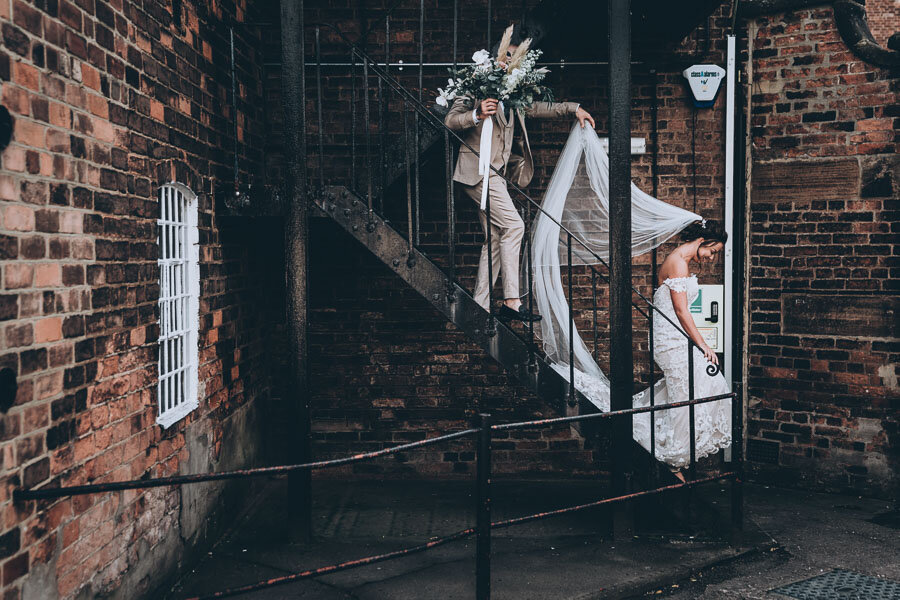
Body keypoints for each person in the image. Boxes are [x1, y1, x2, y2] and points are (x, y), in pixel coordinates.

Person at [444, 30, 594, 322]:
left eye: (517, 57)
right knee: (514, 226)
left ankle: (481, 303)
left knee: (495, 238)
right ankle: (511, 300)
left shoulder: (515, 94)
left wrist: (573, 109)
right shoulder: (476, 86)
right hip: (477, 172)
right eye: (508, 54)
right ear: (498, 56)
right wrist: (476, 114)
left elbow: (539, 108)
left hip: (496, 174)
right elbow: (451, 120)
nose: (510, 60)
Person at [652, 219, 733, 480]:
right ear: (702, 241)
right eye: (713, 251)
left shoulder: (681, 263)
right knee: (691, 394)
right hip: (670, 341)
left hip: (677, 339)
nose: (711, 258)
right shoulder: (677, 262)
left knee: (700, 389)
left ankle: (673, 453)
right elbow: (680, 310)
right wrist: (703, 344)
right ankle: (674, 461)